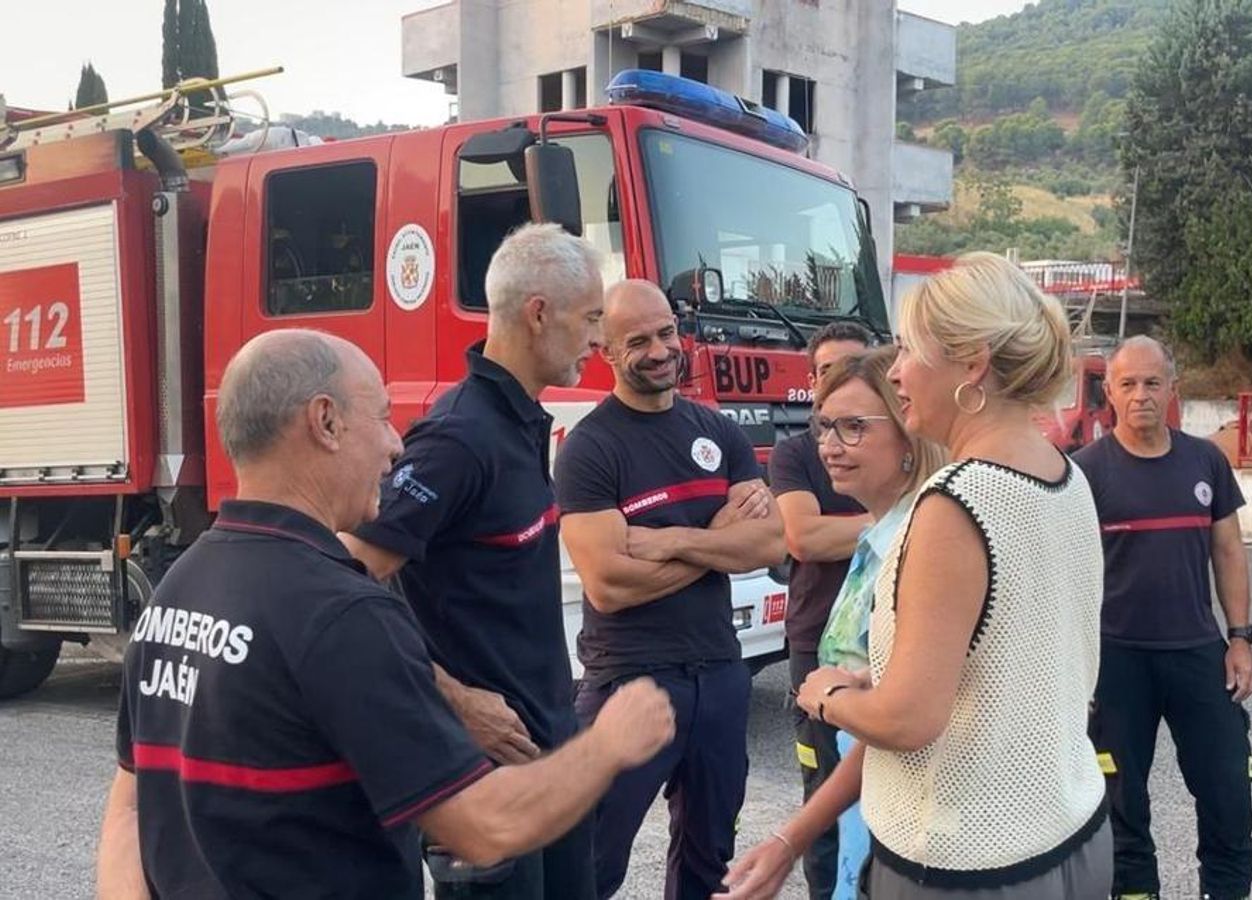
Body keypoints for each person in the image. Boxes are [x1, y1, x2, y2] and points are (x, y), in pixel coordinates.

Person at [95, 329, 675, 900]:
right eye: (380, 418)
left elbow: (131, 805)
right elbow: (483, 826)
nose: (396, 445)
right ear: (325, 422)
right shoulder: (343, 614)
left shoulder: (180, 587)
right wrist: (607, 745)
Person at [717, 251, 1111, 900]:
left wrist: (828, 696)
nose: (896, 370)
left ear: (972, 364)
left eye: (909, 349)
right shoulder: (1067, 477)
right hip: (1071, 836)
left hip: (966, 864)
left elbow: (908, 721)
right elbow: (1007, 662)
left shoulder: (955, 502)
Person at [339, 222, 604, 898]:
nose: (597, 339)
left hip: (549, 753)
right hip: (482, 773)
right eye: (589, 319)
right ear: (538, 314)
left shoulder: (520, 419)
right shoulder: (459, 438)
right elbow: (343, 581)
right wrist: (454, 700)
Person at [554, 280, 787, 899]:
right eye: (638, 342)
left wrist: (673, 541)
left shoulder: (718, 432)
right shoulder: (590, 449)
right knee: (588, 861)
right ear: (606, 350)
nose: (659, 351)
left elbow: (770, 544)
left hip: (720, 673)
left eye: (665, 333)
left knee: (709, 861)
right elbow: (609, 585)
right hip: (630, 678)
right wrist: (718, 540)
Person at [1071, 335, 1252, 900]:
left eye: (1153, 383)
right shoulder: (1084, 473)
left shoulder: (1206, 461)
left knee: (1229, 792)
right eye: (1128, 384)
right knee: (1122, 807)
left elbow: (1229, 551)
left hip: (1197, 653)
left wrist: (1240, 638)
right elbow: (1066, 573)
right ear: (1109, 392)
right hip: (1115, 662)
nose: (1141, 395)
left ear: (1173, 388)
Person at [806, 346, 946, 900]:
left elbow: (905, 711)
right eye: (824, 426)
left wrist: (832, 697)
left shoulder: (914, 546)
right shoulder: (877, 537)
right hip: (867, 800)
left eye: (854, 427)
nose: (829, 446)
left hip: (904, 812)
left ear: (909, 437)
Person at [768, 321, 875, 900]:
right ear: (811, 382)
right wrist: (892, 520)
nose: (842, 382)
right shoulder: (795, 454)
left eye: (857, 368)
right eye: (829, 371)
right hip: (817, 644)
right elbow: (803, 538)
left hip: (885, 642)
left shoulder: (899, 444)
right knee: (825, 799)